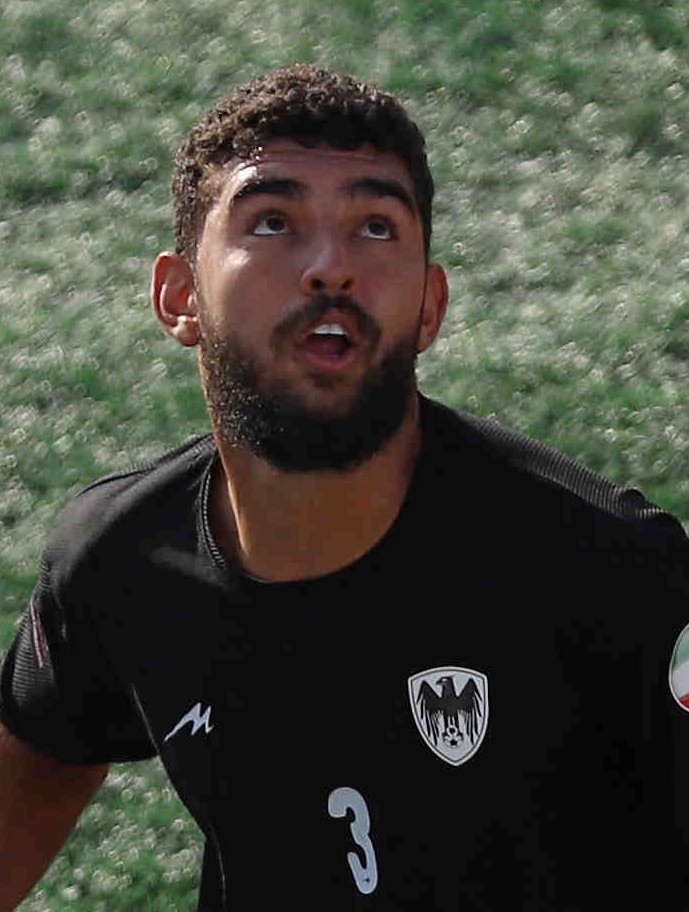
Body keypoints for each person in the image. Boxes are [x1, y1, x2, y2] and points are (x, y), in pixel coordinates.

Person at [1, 63, 689, 912]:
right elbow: (36, 764)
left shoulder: (611, 573)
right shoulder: (120, 559)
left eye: (374, 227)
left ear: (429, 305)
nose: (329, 267)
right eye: (273, 221)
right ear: (180, 296)